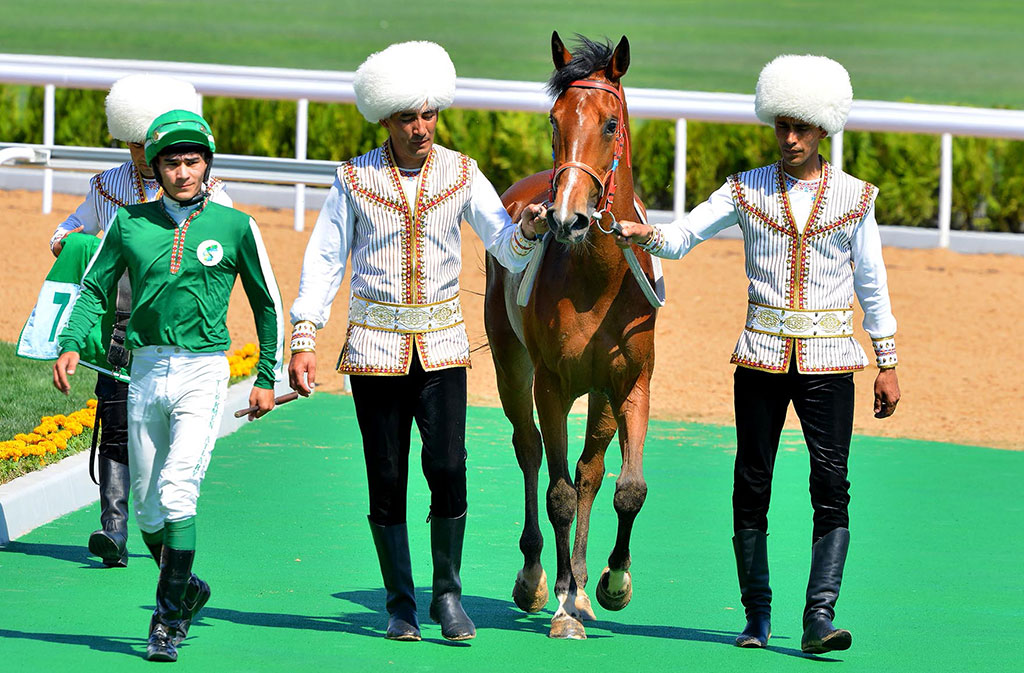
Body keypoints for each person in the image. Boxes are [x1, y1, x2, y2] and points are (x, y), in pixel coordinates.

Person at [613, 54, 901, 654]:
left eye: (801, 127)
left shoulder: (856, 197)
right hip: (761, 359)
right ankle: (756, 615)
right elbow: (687, 232)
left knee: (832, 486)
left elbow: (871, 280)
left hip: (828, 363)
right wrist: (648, 235)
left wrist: (887, 359)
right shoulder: (746, 189)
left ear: (824, 128)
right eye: (782, 126)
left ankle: (819, 618)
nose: (790, 138)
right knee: (752, 484)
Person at [288, 41, 547, 642]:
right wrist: (305, 335)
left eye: (429, 115)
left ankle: (447, 595)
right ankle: (401, 604)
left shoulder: (462, 172)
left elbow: (504, 244)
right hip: (374, 353)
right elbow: (325, 260)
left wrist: (528, 231)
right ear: (386, 120)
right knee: (386, 477)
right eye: (408, 117)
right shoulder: (353, 179)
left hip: (442, 350)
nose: (421, 128)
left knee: (449, 468)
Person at [53, 109, 283, 662]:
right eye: (172, 162)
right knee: (148, 512)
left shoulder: (235, 225)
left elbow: (266, 302)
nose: (183, 171)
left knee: (178, 491)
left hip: (203, 372)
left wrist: (267, 375)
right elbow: (92, 288)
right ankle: (188, 586)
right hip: (144, 370)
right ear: (155, 167)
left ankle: (166, 620)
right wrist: (71, 341)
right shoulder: (129, 221)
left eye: (193, 160)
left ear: (207, 164)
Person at [48, 74, 231, 569]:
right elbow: (70, 226)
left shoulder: (207, 185)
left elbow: (226, 239)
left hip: (177, 325)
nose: (138, 153)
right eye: (131, 143)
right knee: (113, 417)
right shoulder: (105, 185)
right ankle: (114, 528)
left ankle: (165, 527)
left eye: (143, 142)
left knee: (162, 436)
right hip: (116, 314)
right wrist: (66, 240)